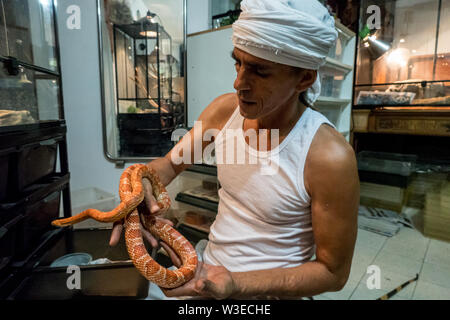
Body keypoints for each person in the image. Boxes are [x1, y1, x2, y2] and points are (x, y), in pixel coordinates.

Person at [109, 0, 359, 300]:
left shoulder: (328, 156)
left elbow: (333, 273)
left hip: (268, 295)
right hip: (206, 272)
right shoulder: (224, 112)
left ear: (304, 78)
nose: (239, 82)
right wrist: (140, 185)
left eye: (260, 71)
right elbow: (170, 165)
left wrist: (236, 283)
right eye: (238, 63)